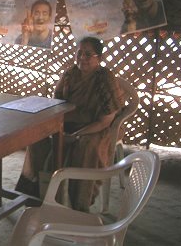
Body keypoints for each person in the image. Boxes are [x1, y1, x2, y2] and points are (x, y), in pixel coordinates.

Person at [16, 36, 124, 212]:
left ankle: (80, 204)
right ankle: (38, 193)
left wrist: (74, 136)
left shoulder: (105, 78)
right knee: (37, 139)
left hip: (98, 128)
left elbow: (106, 120)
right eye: (79, 53)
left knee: (86, 147)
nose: (82, 58)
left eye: (88, 54)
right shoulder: (70, 74)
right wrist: (56, 129)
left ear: (100, 58)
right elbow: (56, 104)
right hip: (68, 122)